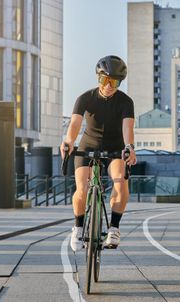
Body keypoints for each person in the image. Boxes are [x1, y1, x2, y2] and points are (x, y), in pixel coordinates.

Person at [61, 55, 136, 252]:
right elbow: (75, 123)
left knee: (120, 181)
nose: (109, 86)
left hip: (115, 147)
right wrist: (69, 141)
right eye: (105, 80)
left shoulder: (125, 102)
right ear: (98, 78)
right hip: (88, 145)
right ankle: (78, 227)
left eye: (115, 82)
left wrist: (129, 146)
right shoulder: (85, 98)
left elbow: (128, 127)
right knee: (82, 187)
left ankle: (114, 228)